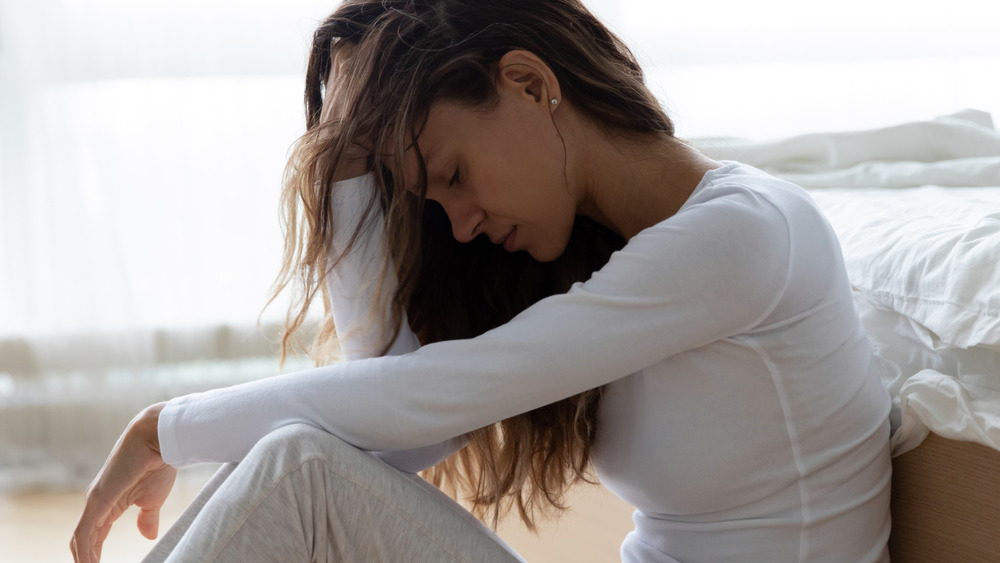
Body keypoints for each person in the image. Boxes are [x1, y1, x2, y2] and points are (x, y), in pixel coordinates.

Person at [70, 0, 893, 561]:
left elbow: (431, 395)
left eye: (456, 172)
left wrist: (165, 429)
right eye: (437, 196)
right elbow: (392, 427)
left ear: (530, 84)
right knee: (305, 467)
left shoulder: (745, 235)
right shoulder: (594, 256)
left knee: (300, 470)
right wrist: (352, 159)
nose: (460, 222)